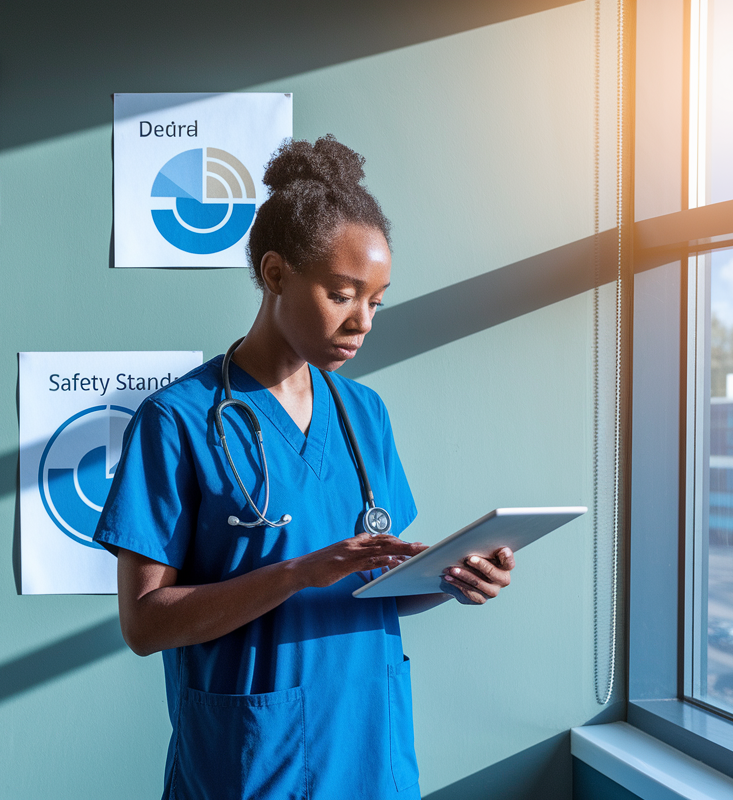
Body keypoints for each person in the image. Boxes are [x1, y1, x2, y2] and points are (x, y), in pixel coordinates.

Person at [92, 134, 516, 800]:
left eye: (376, 301)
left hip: (370, 749)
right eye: (343, 294)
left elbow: (370, 584)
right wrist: (296, 573)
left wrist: (448, 577)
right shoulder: (177, 420)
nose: (362, 323)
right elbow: (145, 624)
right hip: (254, 759)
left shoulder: (364, 413)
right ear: (276, 274)